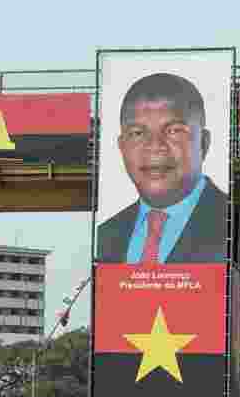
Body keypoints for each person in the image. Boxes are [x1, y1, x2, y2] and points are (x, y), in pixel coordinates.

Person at [96, 72, 228, 265]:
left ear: (204, 143)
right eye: (138, 133)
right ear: (122, 146)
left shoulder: (235, 225)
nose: (155, 145)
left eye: (173, 131)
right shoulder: (104, 237)